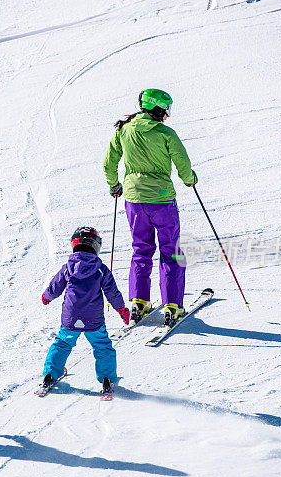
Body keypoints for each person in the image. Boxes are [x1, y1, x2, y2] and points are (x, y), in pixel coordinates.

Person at [102, 89, 197, 327]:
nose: (167, 114)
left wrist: (115, 184)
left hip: (134, 200)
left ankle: (138, 302)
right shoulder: (166, 133)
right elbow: (182, 162)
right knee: (171, 251)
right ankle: (172, 306)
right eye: (165, 109)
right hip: (162, 200)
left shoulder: (124, 130)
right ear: (157, 108)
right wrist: (189, 179)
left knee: (141, 249)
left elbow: (108, 163)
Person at [40, 227, 131, 394]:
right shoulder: (100, 269)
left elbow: (55, 286)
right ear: (96, 246)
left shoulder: (67, 267)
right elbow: (112, 292)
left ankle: (49, 374)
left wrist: (47, 296)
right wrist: (121, 309)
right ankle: (107, 378)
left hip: (70, 318)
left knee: (62, 343)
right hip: (93, 320)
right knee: (102, 346)